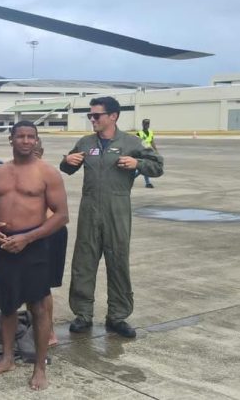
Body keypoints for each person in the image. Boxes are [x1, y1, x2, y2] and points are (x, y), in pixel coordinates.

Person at [61, 97, 164, 338]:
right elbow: (67, 167)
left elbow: (158, 166)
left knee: (118, 261)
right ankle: (83, 314)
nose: (92, 120)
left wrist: (137, 162)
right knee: (83, 262)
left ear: (113, 116)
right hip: (89, 211)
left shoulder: (131, 142)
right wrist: (66, 161)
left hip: (117, 210)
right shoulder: (86, 142)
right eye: (91, 116)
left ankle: (117, 316)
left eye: (97, 115)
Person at [0, 121, 69, 391]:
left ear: (37, 140)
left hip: (34, 245)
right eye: (21, 136)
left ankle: (39, 367)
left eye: (31, 137)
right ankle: (7, 358)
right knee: (7, 306)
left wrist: (27, 238)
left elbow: (62, 216)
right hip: (4, 245)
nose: (26, 141)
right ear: (12, 139)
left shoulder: (47, 173)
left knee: (39, 307)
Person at [33, 139, 68, 346]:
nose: (31, 151)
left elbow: (61, 213)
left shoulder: (49, 174)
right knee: (31, 287)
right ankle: (38, 326)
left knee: (44, 288)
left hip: (49, 233)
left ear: (42, 151)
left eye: (36, 148)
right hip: (26, 234)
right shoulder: (13, 170)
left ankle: (50, 331)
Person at [136, 119, 158, 188]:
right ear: (142, 124)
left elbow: (152, 141)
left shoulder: (150, 132)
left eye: (148, 124)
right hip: (142, 152)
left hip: (149, 152)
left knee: (144, 168)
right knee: (144, 167)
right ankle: (147, 183)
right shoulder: (139, 133)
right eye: (145, 124)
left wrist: (155, 150)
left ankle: (147, 183)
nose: (147, 125)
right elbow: (136, 143)